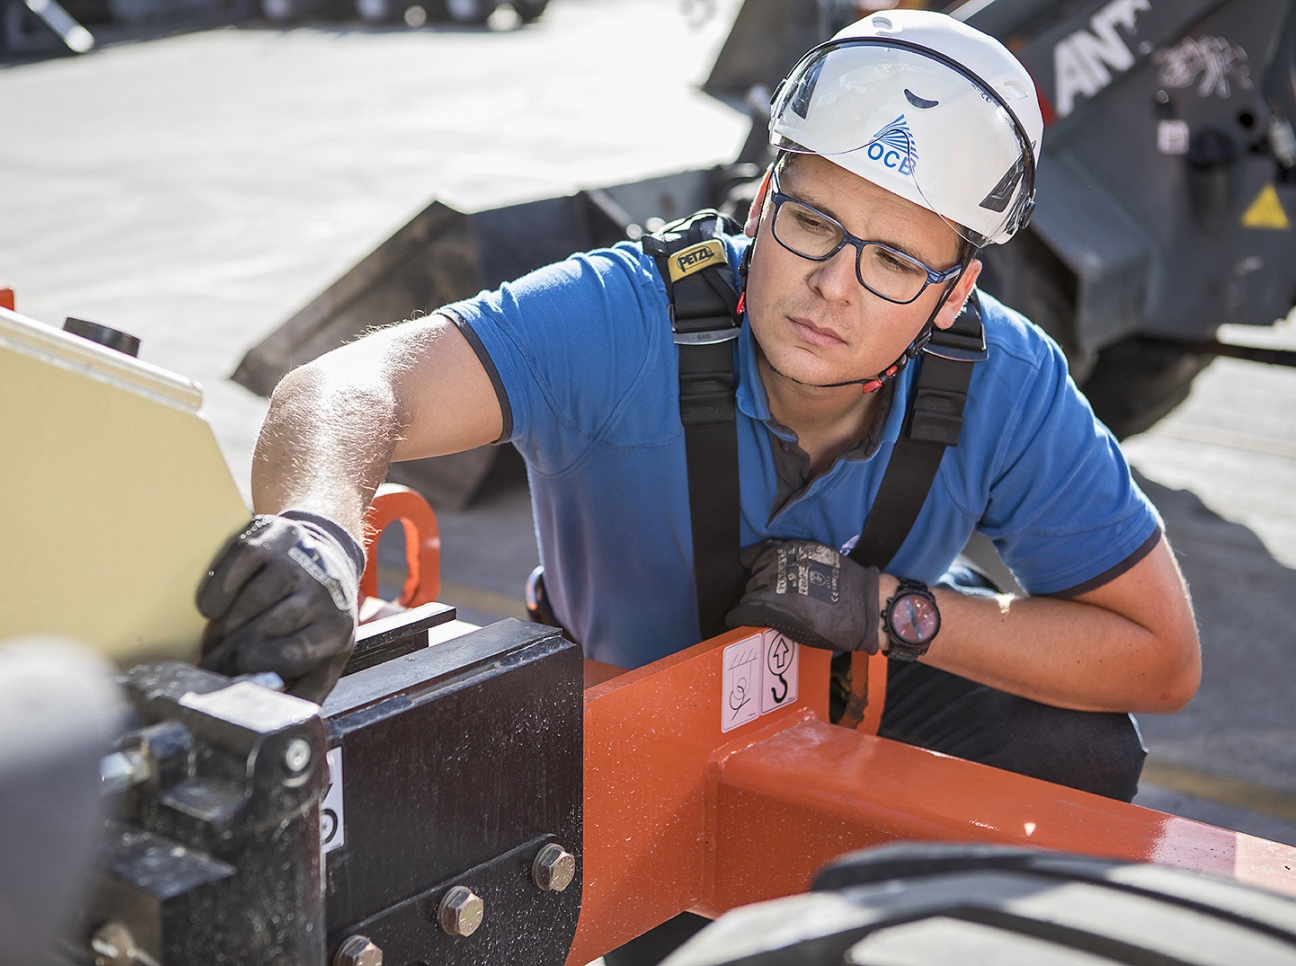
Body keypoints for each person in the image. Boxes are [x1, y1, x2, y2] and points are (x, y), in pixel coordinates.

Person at [196, 12, 1199, 812]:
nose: (833, 287)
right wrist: (316, 532)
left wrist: (887, 611)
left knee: (1066, 746)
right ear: (762, 203)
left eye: (894, 260)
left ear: (952, 294)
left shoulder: (1005, 381)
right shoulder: (628, 317)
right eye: (812, 222)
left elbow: (1158, 657)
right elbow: (350, 385)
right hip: (619, 741)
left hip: (856, 726)